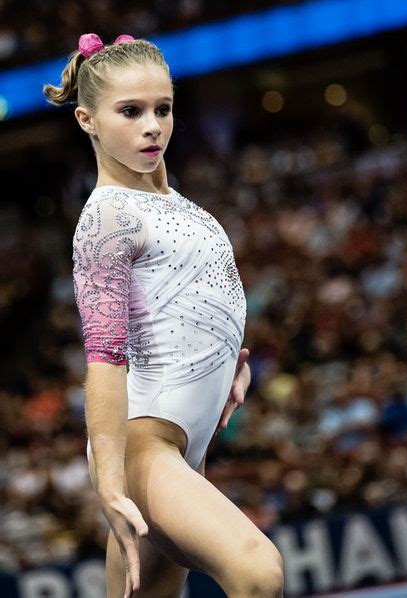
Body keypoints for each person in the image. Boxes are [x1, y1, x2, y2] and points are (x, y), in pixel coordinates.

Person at [43, 32, 284, 598]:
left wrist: (230, 370)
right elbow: (105, 358)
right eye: (130, 111)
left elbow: (198, 307)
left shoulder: (178, 205)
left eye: (163, 108)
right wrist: (109, 484)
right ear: (86, 120)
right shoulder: (108, 218)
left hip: (181, 451)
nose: (152, 124)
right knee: (258, 571)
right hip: (142, 451)